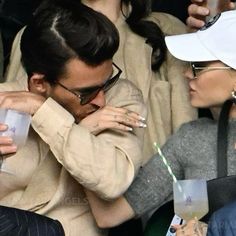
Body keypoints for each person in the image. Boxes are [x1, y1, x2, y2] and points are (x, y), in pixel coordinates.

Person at [82, 10, 236, 235]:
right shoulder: (191, 138)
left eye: (198, 65)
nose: (185, 73)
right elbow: (109, 215)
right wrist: (82, 136)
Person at [0, 1, 147, 235]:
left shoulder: (121, 96)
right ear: (39, 83)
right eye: (86, 92)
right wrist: (84, 128)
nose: (101, 102)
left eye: (108, 81)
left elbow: (112, 179)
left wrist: (43, 110)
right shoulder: (3, 100)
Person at [4, 0, 197, 163]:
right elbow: (15, 125)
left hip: (159, 194)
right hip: (61, 193)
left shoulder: (167, 30)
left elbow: (189, 137)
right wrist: (83, 131)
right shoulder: (39, 33)